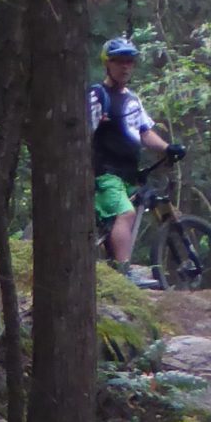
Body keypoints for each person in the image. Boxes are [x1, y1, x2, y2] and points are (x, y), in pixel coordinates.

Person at [88, 36, 170, 266]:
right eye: (119, 61)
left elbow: (145, 131)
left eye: (129, 61)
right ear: (108, 64)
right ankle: (124, 271)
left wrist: (167, 148)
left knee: (118, 219)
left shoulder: (132, 99)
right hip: (106, 173)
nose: (125, 66)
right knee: (126, 215)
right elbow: (85, 132)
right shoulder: (98, 95)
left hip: (128, 173)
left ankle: (114, 262)